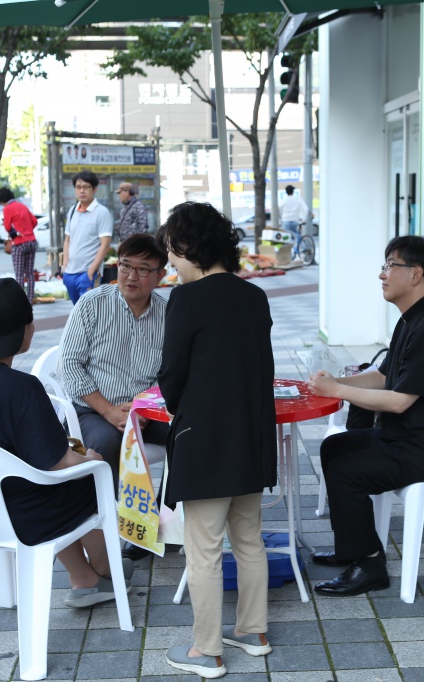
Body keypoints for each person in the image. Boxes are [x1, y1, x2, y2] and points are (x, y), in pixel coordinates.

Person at [0, 278, 132, 607]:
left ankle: (85, 579)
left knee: (43, 484)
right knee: (91, 476)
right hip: (14, 516)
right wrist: (93, 458)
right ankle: (107, 568)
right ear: (27, 330)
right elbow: (58, 461)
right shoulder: (21, 387)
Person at [307, 235, 424, 596]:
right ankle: (350, 549)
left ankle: (370, 565)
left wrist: (337, 392)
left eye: (389, 265)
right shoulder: (412, 318)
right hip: (408, 438)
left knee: (346, 470)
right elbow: (384, 377)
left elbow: (399, 401)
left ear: (416, 274)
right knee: (335, 448)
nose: (381, 274)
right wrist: (337, 380)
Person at [156, 202, 277, 679]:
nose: (171, 264)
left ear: (191, 247)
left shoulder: (186, 300)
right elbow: (261, 370)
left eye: (172, 254)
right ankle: (253, 631)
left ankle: (206, 651)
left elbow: (171, 378)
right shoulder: (255, 297)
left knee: (203, 548)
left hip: (204, 438)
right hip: (251, 435)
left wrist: (183, 404)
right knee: (248, 538)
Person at [57, 233, 170, 498]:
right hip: (93, 411)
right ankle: (111, 524)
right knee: (104, 443)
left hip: (148, 411)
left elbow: (172, 372)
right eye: (126, 265)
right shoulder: (91, 304)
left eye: (143, 269)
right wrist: (109, 411)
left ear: (160, 275)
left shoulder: (169, 314)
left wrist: (145, 407)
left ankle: (167, 524)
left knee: (190, 431)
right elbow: (70, 366)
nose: (131, 276)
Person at [61, 170, 113, 303]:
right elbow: (67, 240)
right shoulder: (72, 211)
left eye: (86, 187)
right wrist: (65, 266)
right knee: (77, 312)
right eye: (78, 187)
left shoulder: (101, 212)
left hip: (88, 273)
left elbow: (105, 244)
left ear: (94, 189)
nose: (82, 191)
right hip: (70, 273)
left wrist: (91, 272)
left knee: (90, 313)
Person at [0, 187, 39, 302]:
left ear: (2, 200)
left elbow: (7, 226)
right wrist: (27, 230)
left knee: (19, 274)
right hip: (32, 241)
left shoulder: (7, 209)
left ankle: (20, 301)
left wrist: (15, 234)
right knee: (30, 273)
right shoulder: (23, 206)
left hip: (19, 243)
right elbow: (34, 221)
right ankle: (30, 299)